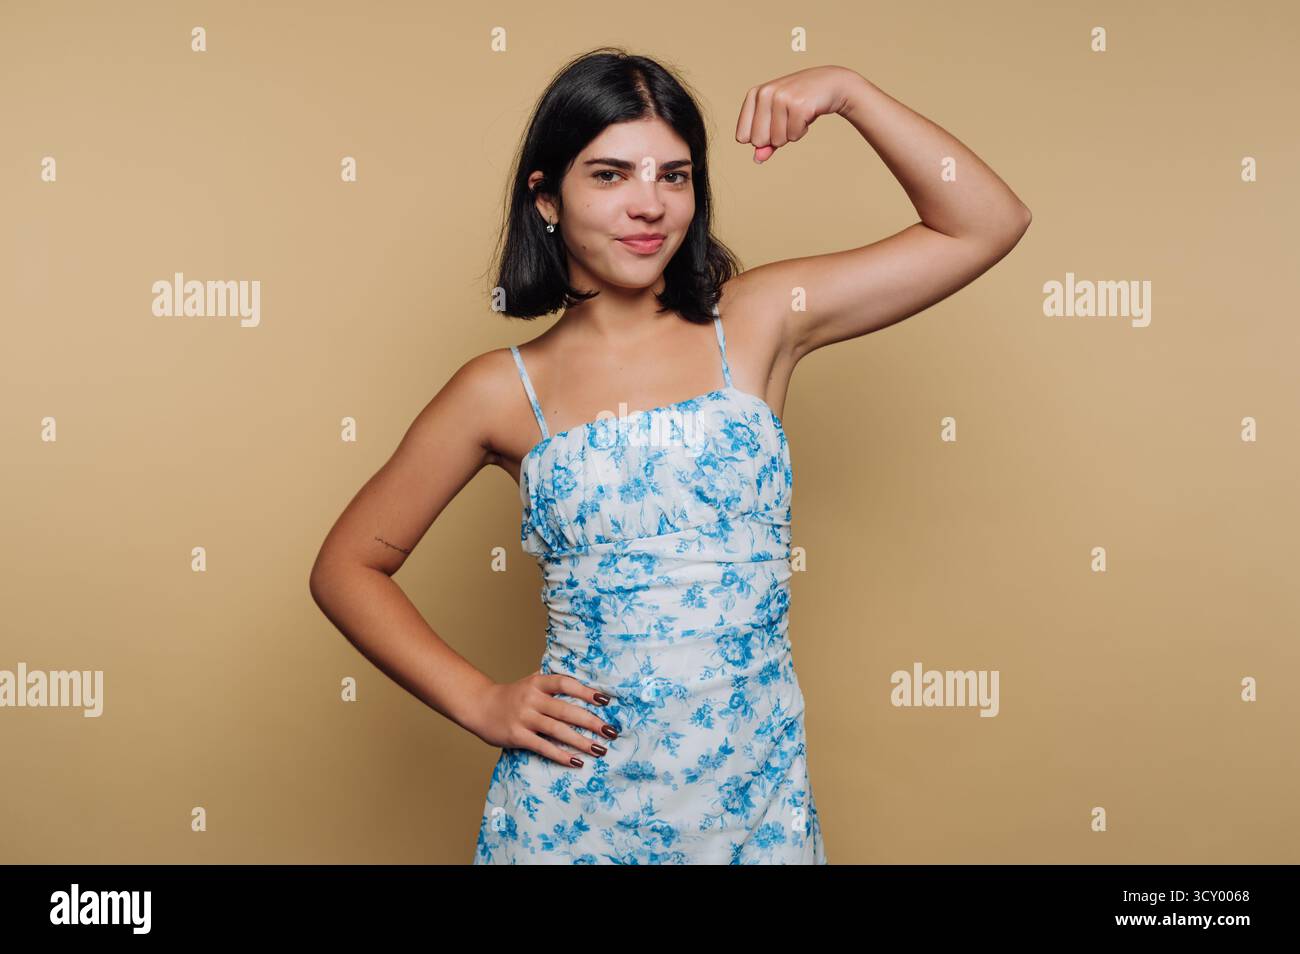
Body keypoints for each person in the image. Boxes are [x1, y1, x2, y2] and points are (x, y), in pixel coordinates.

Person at [309, 47, 1031, 864]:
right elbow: (347, 568)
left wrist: (848, 92)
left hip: (754, 802)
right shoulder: (500, 391)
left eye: (674, 176)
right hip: (572, 809)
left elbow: (984, 223)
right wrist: (481, 701)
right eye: (610, 175)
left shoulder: (758, 320)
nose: (648, 205)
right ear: (546, 197)